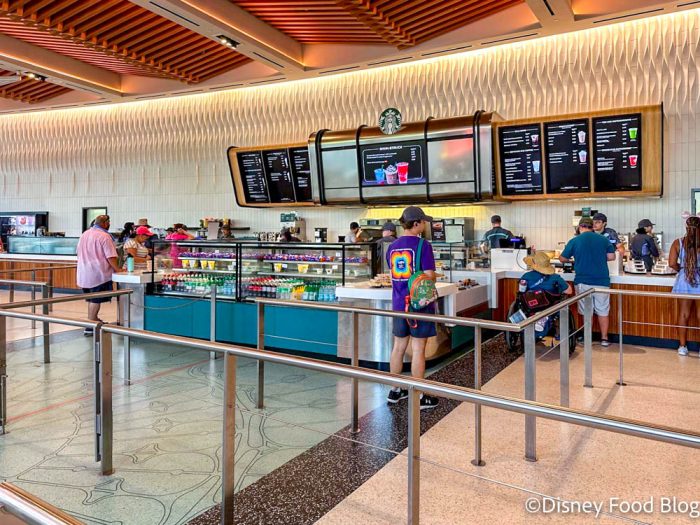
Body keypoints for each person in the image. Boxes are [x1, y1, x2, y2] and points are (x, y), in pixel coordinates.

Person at [385, 206, 439, 410]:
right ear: (416, 223)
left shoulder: (392, 246)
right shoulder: (423, 245)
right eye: (423, 222)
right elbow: (429, 276)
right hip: (418, 305)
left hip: (399, 304)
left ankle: (395, 390)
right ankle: (419, 396)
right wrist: (434, 275)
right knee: (418, 349)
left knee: (398, 347)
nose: (425, 225)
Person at [559, 217, 616, 346]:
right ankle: (604, 339)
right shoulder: (603, 239)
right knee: (603, 310)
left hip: (583, 281)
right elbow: (611, 256)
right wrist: (599, 258)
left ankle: (587, 338)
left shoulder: (575, 240)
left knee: (586, 311)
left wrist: (573, 260)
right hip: (602, 281)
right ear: (592, 227)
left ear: (580, 227)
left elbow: (562, 258)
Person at [76, 215, 122, 336]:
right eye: (109, 222)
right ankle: (90, 325)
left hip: (84, 272)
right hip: (98, 273)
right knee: (96, 300)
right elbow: (110, 256)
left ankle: (94, 319)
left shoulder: (85, 234)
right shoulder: (104, 236)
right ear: (105, 223)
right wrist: (118, 269)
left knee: (92, 299)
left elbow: (78, 252)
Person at [669, 216, 700, 356]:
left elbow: (671, 263)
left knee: (683, 313)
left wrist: (682, 270)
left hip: (684, 279)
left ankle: (682, 347)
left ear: (686, 228)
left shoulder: (678, 242)